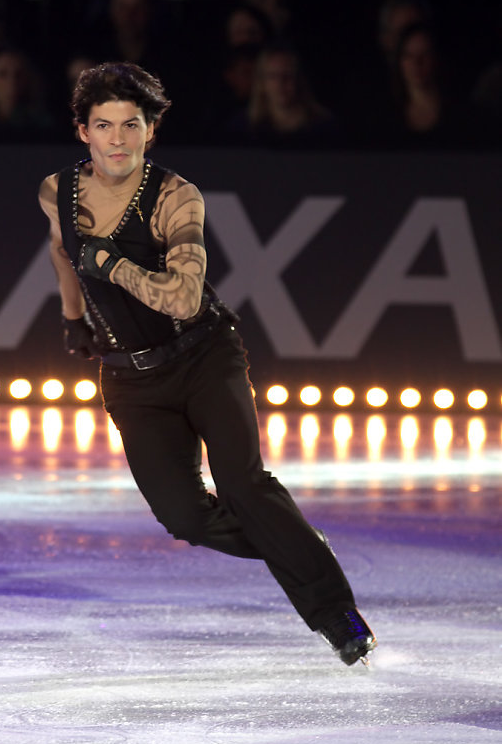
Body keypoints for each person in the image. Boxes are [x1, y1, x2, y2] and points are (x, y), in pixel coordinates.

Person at [38, 61, 377, 667]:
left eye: (131, 125)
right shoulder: (54, 191)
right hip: (129, 379)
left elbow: (185, 297)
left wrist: (111, 264)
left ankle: (337, 617)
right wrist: (72, 317)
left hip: (204, 356)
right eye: (104, 124)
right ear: (82, 131)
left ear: (150, 132)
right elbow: (64, 251)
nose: (118, 138)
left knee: (244, 485)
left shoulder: (174, 195)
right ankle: (298, 544)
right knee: (185, 517)